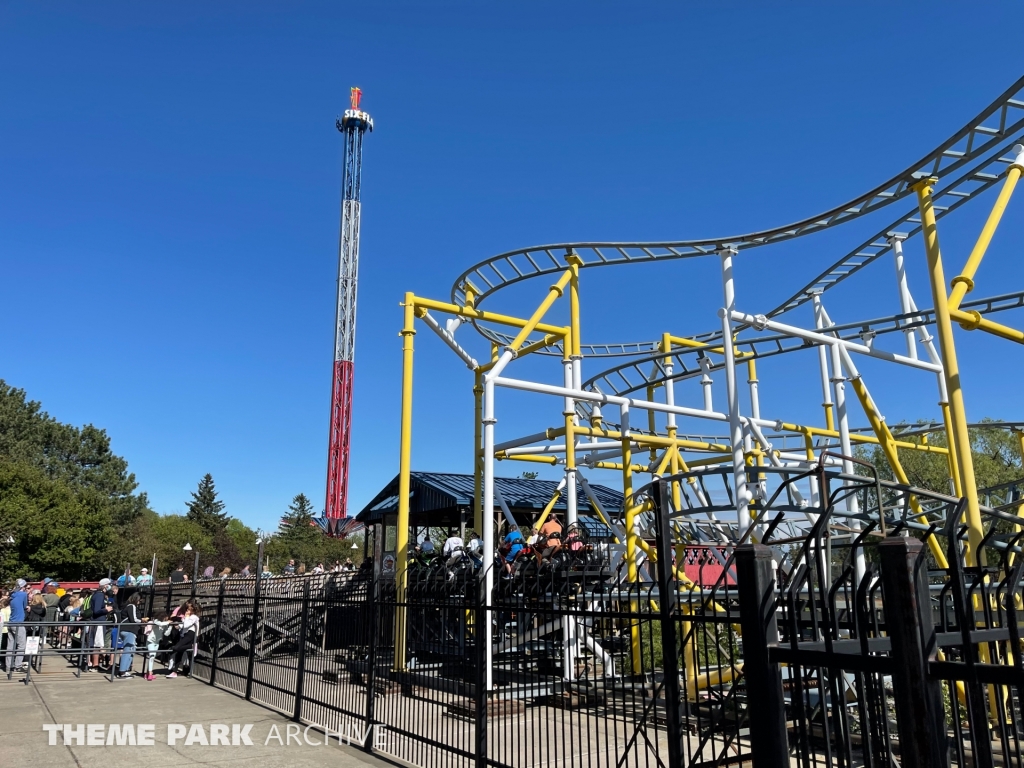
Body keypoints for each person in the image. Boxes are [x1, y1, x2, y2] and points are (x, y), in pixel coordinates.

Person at [165, 602, 200, 679]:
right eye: (187, 609)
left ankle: (191, 646)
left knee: (176, 647)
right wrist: (177, 625)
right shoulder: (186, 617)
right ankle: (174, 671)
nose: (187, 610)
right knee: (179, 652)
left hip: (191, 634)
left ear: (193, 610)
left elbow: (187, 625)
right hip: (185, 634)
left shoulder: (194, 617)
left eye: (189, 609)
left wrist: (186, 617)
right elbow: (183, 625)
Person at [115, 593, 144, 679]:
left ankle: (125, 670)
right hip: (129, 630)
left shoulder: (126, 606)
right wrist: (142, 621)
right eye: (139, 600)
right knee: (128, 650)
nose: (140, 602)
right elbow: (133, 619)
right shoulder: (132, 606)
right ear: (136, 599)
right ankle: (122, 671)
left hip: (125, 630)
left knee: (131, 649)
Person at [89, 578, 115, 670]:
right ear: (105, 585)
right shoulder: (100, 595)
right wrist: (106, 610)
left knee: (97, 643)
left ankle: (94, 664)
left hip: (98, 621)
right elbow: (96, 610)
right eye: (110, 584)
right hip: (99, 621)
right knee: (97, 643)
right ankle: (95, 665)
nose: (111, 586)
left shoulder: (97, 594)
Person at [6, 579, 29, 673]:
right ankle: (17, 666)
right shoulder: (23, 594)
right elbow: (25, 606)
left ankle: (8, 666)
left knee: (10, 645)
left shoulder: (12, 595)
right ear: (23, 587)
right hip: (19, 622)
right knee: (21, 645)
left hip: (11, 622)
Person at [142, 610, 171, 681]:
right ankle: (150, 674)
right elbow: (160, 624)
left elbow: (166, 634)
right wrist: (167, 622)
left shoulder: (164, 624)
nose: (167, 618)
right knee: (151, 656)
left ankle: (147, 673)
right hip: (150, 641)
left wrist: (169, 626)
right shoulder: (156, 621)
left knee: (153, 656)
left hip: (157, 642)